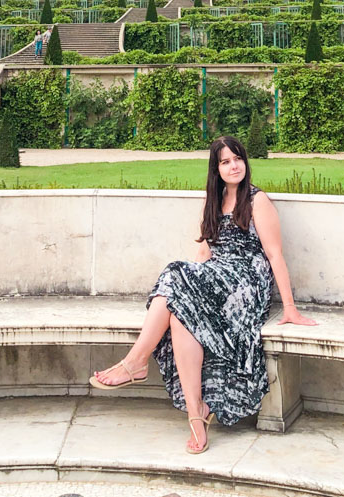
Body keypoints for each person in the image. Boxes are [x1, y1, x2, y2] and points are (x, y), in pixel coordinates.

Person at [89, 136, 316, 454]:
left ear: (245, 163)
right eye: (225, 161)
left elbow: (275, 255)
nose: (234, 166)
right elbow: (202, 255)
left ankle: (136, 362)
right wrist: (190, 288)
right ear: (217, 168)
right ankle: (196, 415)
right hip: (217, 280)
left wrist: (289, 308)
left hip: (246, 286)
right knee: (181, 308)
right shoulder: (214, 200)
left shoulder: (256, 200)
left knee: (175, 276)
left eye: (238, 159)